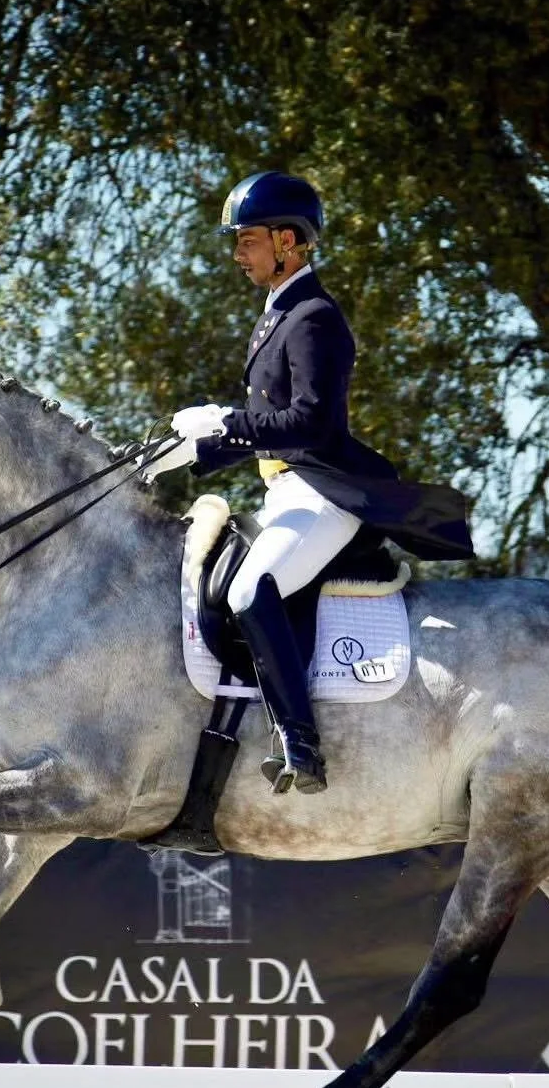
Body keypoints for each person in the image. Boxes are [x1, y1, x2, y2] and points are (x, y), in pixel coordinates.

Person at [147, 171, 474, 795]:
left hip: (324, 491)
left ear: (289, 241)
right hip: (287, 489)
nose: (237, 254)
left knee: (251, 590)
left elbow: (309, 423)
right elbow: (273, 428)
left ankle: (301, 744)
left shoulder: (314, 316)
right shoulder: (280, 314)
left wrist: (227, 421)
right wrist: (196, 450)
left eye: (247, 241)